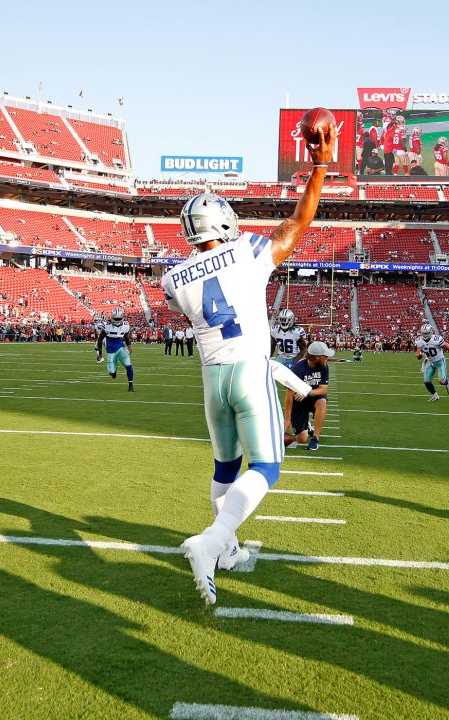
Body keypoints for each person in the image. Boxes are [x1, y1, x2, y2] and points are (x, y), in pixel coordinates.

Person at [160, 120, 335, 606]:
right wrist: (320, 165)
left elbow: (190, 303)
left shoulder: (173, 277)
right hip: (250, 370)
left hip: (211, 378)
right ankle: (212, 544)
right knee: (267, 467)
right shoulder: (249, 249)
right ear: (225, 222)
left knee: (225, 465)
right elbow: (299, 222)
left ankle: (229, 548)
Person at [284, 341, 332, 451]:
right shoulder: (297, 369)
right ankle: (308, 427)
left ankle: (315, 438)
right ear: (316, 357)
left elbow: (323, 389)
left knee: (322, 402)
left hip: (314, 397)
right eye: (325, 356)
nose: (327, 358)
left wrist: (307, 392)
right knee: (301, 439)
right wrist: (287, 418)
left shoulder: (324, 366)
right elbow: (289, 394)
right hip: (299, 401)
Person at [415, 323, 449, 401]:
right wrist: (420, 354)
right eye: (423, 333)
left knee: (441, 381)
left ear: (431, 332)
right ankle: (435, 395)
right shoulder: (419, 341)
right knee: (426, 382)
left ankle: (447, 383)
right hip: (429, 361)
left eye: (427, 333)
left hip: (439, 361)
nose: (425, 335)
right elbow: (418, 356)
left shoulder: (437, 339)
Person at [96, 308, 135, 392]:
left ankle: (131, 385)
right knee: (112, 373)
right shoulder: (106, 325)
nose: (117, 321)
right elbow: (100, 340)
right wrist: (100, 353)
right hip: (110, 350)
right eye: (116, 319)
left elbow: (126, 336)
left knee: (128, 365)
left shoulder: (125, 325)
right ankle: (114, 370)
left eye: (119, 319)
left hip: (121, 347)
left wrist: (129, 345)